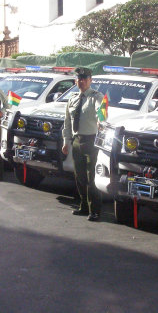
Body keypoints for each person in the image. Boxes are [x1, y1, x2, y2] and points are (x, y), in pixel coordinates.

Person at [62, 67, 104, 222]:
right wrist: (66, 141)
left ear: (90, 81)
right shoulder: (72, 98)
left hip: (91, 141)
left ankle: (95, 210)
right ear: (75, 81)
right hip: (77, 141)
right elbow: (67, 122)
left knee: (91, 177)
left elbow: (101, 111)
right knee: (79, 176)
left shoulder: (96, 97)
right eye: (79, 79)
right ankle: (84, 206)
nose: (82, 82)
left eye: (85, 79)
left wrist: (101, 121)